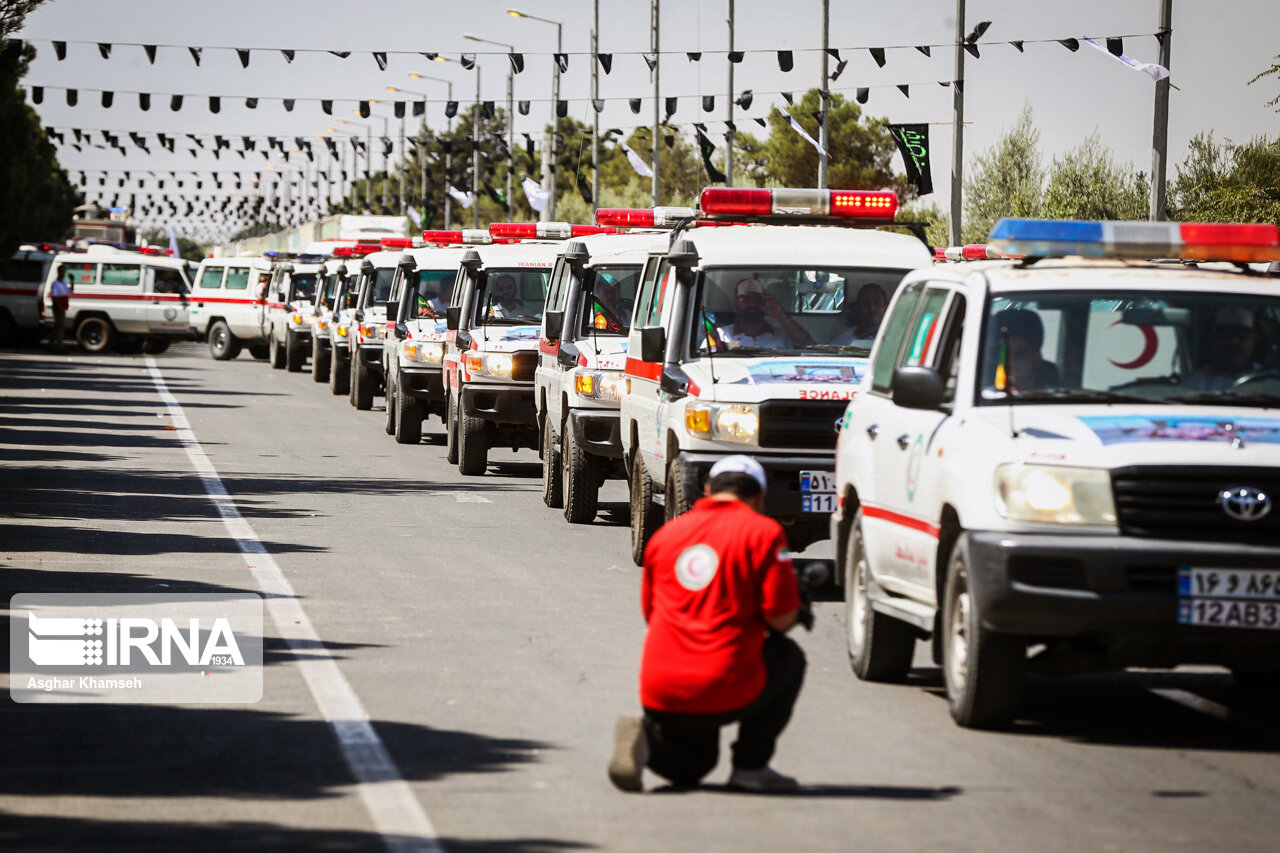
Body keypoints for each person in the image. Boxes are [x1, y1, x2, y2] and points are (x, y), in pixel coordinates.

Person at [609, 455, 806, 794]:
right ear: (759, 497)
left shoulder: (666, 535)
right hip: (724, 682)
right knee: (788, 656)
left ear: (707, 489)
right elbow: (779, 618)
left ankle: (648, 743)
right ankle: (750, 767)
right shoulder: (764, 533)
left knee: (692, 768)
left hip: (662, 689)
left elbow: (650, 612)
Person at [713, 278, 814, 350]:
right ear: (735, 303)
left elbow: (810, 347)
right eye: (745, 300)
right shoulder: (721, 335)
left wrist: (780, 315)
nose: (752, 304)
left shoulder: (783, 335)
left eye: (757, 299)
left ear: (765, 302)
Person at [1181, 305, 1262, 391]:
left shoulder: (1269, 380)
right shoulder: (1194, 383)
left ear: (1254, 340)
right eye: (1225, 335)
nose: (1233, 341)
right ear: (1213, 339)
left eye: (1242, 335)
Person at [993, 308, 1059, 393]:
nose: (1011, 363)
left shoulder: (1055, 400)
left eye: (1020, 355)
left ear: (1037, 359)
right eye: (1005, 355)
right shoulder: (985, 397)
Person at [831, 283, 888, 347]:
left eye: (877, 303)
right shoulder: (845, 339)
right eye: (865, 303)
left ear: (886, 307)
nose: (872, 308)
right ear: (858, 307)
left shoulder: (898, 335)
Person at [48, 268, 71, 353]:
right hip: (58, 309)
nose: (64, 273)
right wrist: (60, 306)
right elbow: (54, 296)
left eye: (64, 271)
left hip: (63, 308)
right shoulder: (56, 283)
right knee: (60, 327)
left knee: (57, 327)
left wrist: (72, 281)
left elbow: (70, 291)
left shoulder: (63, 283)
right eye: (62, 271)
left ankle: (52, 345)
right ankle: (59, 347)